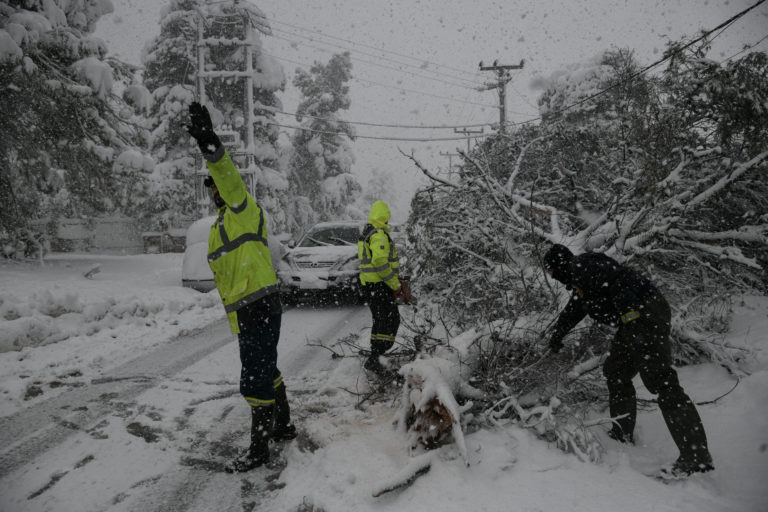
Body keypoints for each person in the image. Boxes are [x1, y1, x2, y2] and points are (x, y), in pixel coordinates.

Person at [187, 102, 296, 472]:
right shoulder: (219, 226)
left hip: (259, 306)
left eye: (217, 185)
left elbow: (228, 175)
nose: (214, 190)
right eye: (211, 188)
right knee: (267, 370)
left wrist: (210, 144)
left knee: (253, 380)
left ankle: (259, 450)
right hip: (247, 311)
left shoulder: (242, 209)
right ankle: (283, 426)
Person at [543, 244, 714, 477]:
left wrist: (632, 317)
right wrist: (556, 334)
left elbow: (616, 280)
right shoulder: (580, 280)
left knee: (661, 381)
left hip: (643, 313)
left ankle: (696, 456)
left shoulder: (583, 265)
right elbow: (576, 308)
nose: (553, 277)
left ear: (560, 264)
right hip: (632, 319)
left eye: (552, 272)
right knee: (616, 371)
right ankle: (621, 433)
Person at [357, 200, 407, 375]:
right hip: (379, 285)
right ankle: (377, 357)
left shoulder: (367, 232)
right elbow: (379, 261)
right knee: (390, 320)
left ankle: (376, 356)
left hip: (371, 285)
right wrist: (395, 284)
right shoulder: (378, 235)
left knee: (380, 320)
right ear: (384, 217)